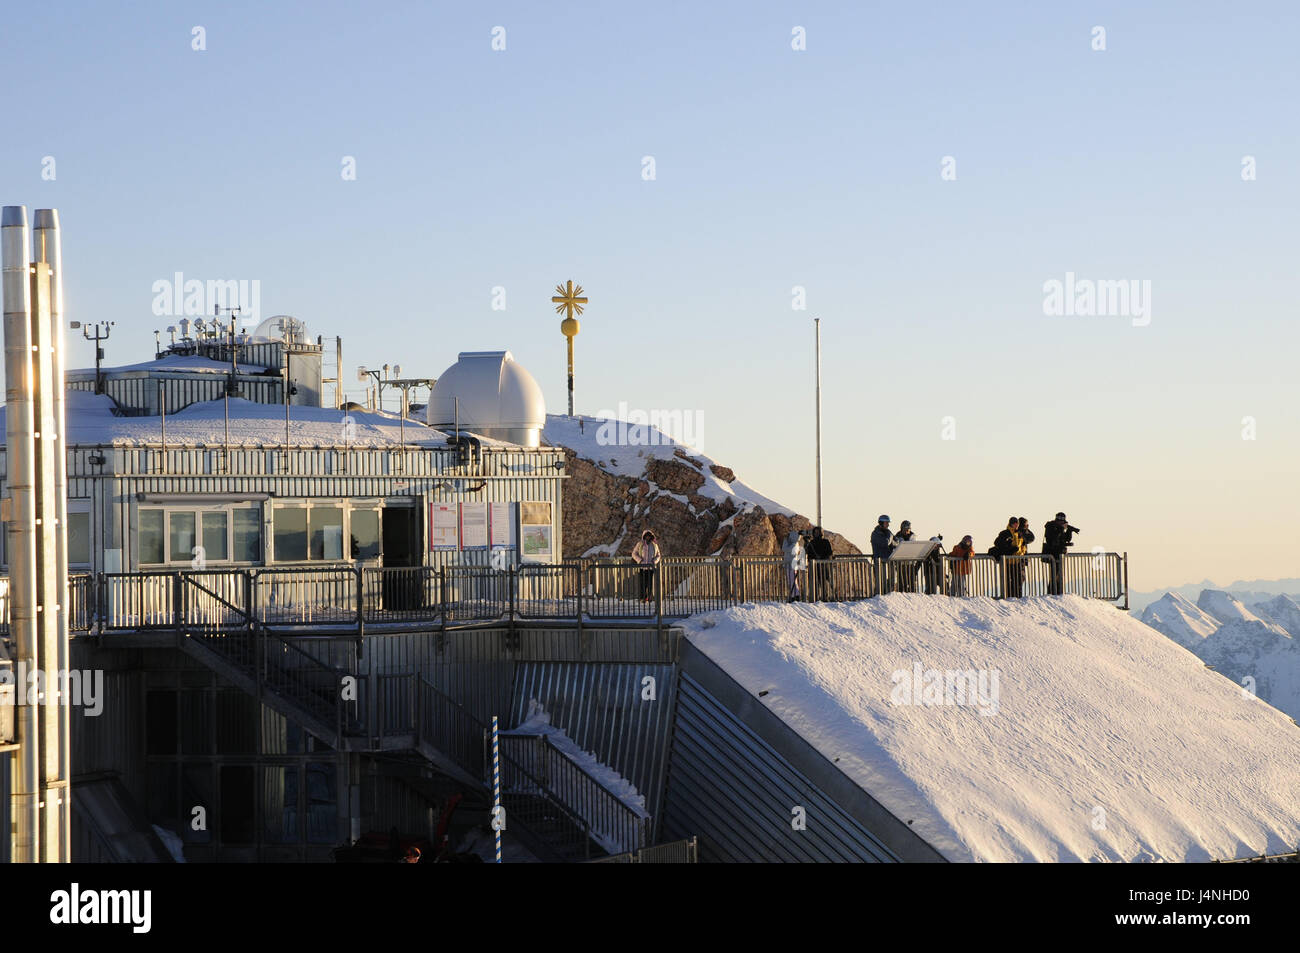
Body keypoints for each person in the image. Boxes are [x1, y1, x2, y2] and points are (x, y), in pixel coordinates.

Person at [1043, 512, 1081, 595]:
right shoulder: (1050, 526)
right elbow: (1052, 539)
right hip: (1053, 553)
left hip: (1060, 554)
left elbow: (1066, 539)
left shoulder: (1060, 528)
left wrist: (1069, 530)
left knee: (1059, 575)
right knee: (1054, 575)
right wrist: (1061, 529)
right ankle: (1052, 593)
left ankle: (1058, 592)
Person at [992, 517, 1022, 598]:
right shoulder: (1005, 533)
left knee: (1018, 580)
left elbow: (1024, 544)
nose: (1016, 525)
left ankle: (1018, 597)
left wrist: (1021, 553)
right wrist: (1009, 548)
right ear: (1010, 524)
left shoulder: (1019, 533)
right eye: (1014, 523)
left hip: (1017, 560)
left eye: (1017, 523)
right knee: (1008, 581)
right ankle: (1008, 597)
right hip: (1008, 561)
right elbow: (997, 543)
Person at [631, 529, 662, 602]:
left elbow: (658, 555)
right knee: (642, 583)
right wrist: (640, 560)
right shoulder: (640, 544)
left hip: (651, 568)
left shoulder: (654, 545)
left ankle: (649, 597)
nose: (648, 537)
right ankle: (643, 598)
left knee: (650, 583)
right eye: (646, 536)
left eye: (649, 536)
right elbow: (634, 553)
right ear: (644, 536)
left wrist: (654, 561)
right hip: (642, 567)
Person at [806, 526, 834, 600]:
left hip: (823, 566)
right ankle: (815, 598)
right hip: (814, 566)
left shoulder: (825, 542)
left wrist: (823, 558)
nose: (816, 534)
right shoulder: (812, 543)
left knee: (823, 582)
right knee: (814, 583)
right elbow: (809, 553)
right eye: (815, 532)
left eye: (818, 532)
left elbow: (829, 553)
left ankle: (825, 597)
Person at [782, 529, 807, 602]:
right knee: (791, 581)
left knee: (792, 581)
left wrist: (785, 541)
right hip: (790, 565)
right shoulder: (794, 544)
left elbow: (784, 549)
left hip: (791, 565)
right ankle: (794, 595)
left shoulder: (794, 544)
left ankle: (796, 596)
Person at [893, 520, 917, 592]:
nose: (907, 531)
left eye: (908, 529)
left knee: (912, 580)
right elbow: (895, 548)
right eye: (905, 529)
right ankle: (902, 593)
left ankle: (912, 593)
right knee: (902, 581)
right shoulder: (897, 537)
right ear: (902, 529)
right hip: (901, 563)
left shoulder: (913, 537)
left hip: (911, 562)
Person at [1016, 517, 1035, 595]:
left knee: (1020, 579)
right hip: (1020, 559)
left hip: (1019, 559)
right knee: (1020, 578)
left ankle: (1017, 594)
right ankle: (1018, 594)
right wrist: (1026, 529)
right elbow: (1031, 538)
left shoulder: (1017, 531)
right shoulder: (1021, 533)